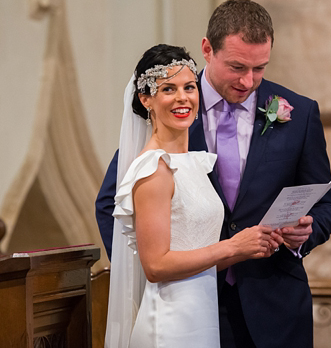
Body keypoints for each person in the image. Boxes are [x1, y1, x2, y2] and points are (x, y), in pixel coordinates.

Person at [97, 0, 331, 348]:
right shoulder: (174, 106)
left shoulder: (298, 113)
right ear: (207, 49)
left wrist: (307, 230)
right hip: (187, 307)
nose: (249, 80)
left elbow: (327, 204)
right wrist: (140, 277)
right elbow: (111, 202)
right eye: (237, 66)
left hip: (275, 305)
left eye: (259, 68)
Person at [104, 44, 283, 348]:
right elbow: (156, 266)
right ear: (146, 99)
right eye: (168, 89)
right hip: (171, 325)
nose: (183, 98)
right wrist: (231, 247)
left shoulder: (192, 163)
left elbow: (196, 249)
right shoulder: (154, 169)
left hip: (201, 316)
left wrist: (250, 245)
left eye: (189, 87)